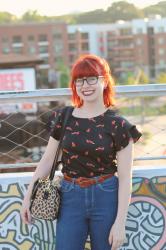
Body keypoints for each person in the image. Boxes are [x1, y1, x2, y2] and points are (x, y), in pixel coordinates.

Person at [21, 54, 142, 250]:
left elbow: (126, 178)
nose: (85, 85)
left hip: (106, 195)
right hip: (70, 195)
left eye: (91, 78)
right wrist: (28, 198)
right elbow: (47, 159)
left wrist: (120, 223)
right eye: (79, 80)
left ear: (104, 81)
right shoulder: (64, 117)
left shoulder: (118, 125)